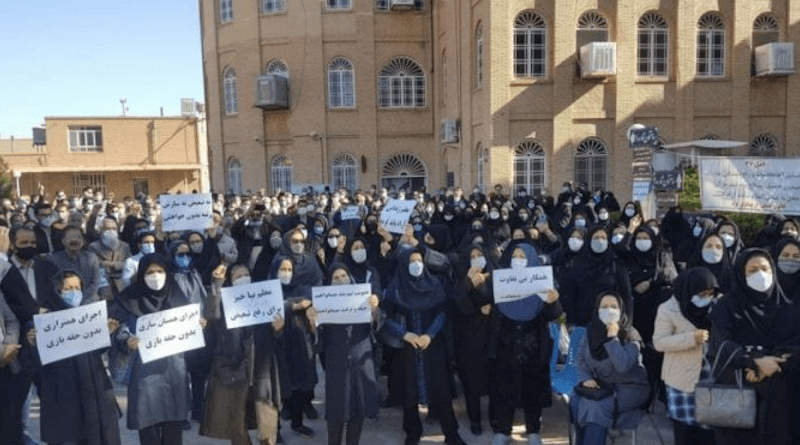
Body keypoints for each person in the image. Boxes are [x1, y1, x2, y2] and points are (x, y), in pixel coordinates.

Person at [708, 248, 800, 445]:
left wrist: (774, 363)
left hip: (779, 399)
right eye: (752, 270)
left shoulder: (788, 310)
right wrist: (752, 361)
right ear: (741, 274)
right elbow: (720, 343)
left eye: (765, 269)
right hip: (737, 390)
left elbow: (796, 344)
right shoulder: (726, 307)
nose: (760, 274)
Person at [381, 248, 468, 445]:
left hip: (432, 346)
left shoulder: (435, 284)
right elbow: (386, 317)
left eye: (419, 260)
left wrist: (430, 334)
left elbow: (442, 313)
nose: (416, 264)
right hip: (407, 348)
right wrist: (405, 334)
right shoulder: (396, 289)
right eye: (411, 261)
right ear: (404, 265)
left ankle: (451, 433)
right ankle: (412, 433)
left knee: (441, 390)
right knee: (409, 394)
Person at [109, 254, 199, 445]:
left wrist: (197, 325)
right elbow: (115, 327)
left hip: (173, 370)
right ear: (141, 274)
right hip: (143, 374)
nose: (156, 276)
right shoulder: (128, 299)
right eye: (150, 272)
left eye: (160, 271)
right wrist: (126, 341)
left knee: (173, 425)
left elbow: (189, 329)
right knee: (147, 424)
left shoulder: (176, 295)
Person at [33, 269, 122, 445]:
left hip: (91, 389)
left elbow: (94, 353)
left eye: (77, 287)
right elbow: (38, 364)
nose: (74, 292)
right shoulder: (46, 320)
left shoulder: (87, 316)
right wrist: (33, 341)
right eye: (68, 288)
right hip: (62, 395)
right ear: (57, 291)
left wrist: (106, 334)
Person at [200, 263, 286, 445]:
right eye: (238, 277)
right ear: (230, 281)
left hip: (262, 370)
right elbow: (210, 314)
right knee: (237, 428)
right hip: (232, 371)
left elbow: (278, 339)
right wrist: (217, 283)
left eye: (246, 274)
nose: (243, 278)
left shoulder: (266, 300)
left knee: (267, 424)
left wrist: (277, 329)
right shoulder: (223, 302)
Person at [489, 241, 561, 445]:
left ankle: (533, 431)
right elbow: (490, 305)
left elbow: (554, 315)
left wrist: (552, 301)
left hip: (534, 343)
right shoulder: (503, 279)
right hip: (507, 341)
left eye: (522, 257)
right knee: (504, 386)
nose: (518, 260)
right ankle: (503, 429)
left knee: (533, 388)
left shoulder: (543, 281)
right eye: (515, 256)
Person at [311, 264, 381, 445]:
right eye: (336, 278)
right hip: (337, 363)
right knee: (336, 410)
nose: (341, 280)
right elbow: (318, 341)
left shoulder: (363, 298)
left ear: (350, 277)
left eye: (344, 275)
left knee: (358, 409)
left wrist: (374, 311)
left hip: (361, 360)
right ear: (330, 282)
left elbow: (377, 329)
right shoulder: (324, 302)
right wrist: (313, 322)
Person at [653, 267, 718, 445]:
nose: (705, 298)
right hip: (681, 381)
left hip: (711, 378)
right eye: (701, 293)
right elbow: (659, 342)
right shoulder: (668, 309)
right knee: (684, 434)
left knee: (709, 434)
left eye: (710, 293)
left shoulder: (717, 306)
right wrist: (691, 338)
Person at [574, 292, 649, 445]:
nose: (609, 310)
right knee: (576, 402)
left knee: (595, 407)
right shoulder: (590, 332)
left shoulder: (631, 334)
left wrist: (613, 339)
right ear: (597, 310)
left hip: (630, 387)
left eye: (614, 307)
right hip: (602, 385)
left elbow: (622, 366)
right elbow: (580, 359)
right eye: (604, 307)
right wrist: (586, 378)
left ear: (621, 310)